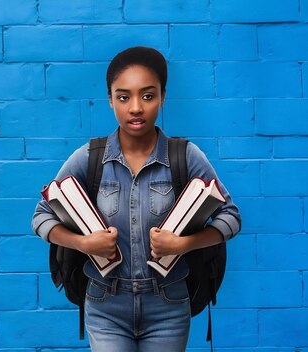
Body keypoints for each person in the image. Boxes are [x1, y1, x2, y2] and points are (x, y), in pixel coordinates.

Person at [32, 46, 241, 351]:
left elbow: (231, 217)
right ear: (110, 100)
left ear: (162, 96)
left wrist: (183, 244)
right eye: (123, 96)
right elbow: (40, 215)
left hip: (168, 305)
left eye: (147, 95)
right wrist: (83, 243)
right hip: (105, 304)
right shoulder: (90, 157)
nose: (135, 108)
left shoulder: (185, 155)